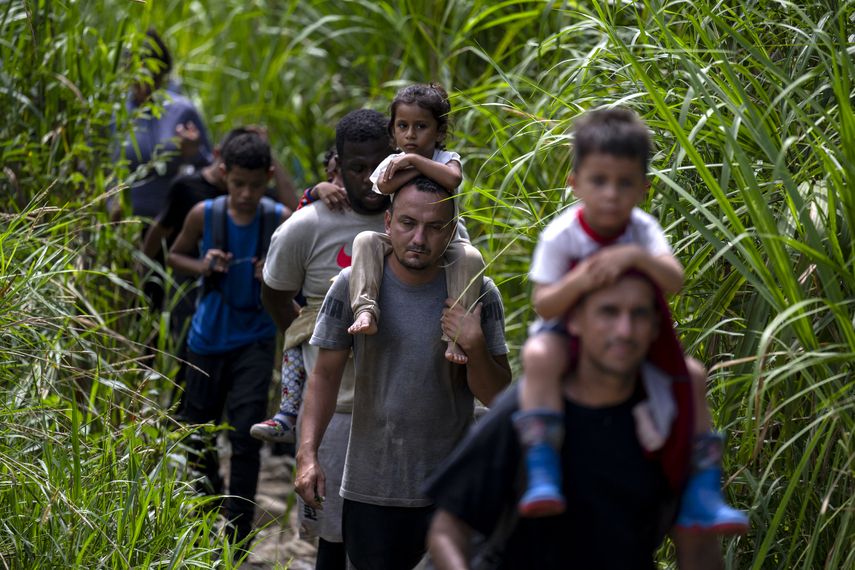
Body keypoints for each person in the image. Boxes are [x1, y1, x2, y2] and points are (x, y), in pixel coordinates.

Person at [515, 108, 748, 534]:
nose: (611, 194)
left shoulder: (642, 230)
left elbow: (674, 280)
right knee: (538, 355)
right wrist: (582, 279)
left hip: (632, 334)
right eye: (599, 181)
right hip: (568, 332)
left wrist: (635, 256)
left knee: (694, 376)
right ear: (575, 183)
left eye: (625, 183)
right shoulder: (561, 235)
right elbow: (544, 304)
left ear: (644, 188)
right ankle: (543, 468)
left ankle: (702, 490)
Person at [424, 273, 727, 570]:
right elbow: (447, 530)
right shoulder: (530, 410)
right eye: (608, 312)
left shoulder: (668, 421)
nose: (625, 330)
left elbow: (698, 547)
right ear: (575, 321)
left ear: (656, 326)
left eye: (639, 314)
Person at [295, 176, 512, 570]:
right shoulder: (352, 285)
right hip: (370, 486)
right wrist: (307, 455)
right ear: (388, 222)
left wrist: (475, 345)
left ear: (452, 231)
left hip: (452, 489)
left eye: (434, 227)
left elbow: (497, 397)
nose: (419, 239)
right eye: (408, 223)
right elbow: (324, 376)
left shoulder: (477, 291)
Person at [260, 109, 393, 569]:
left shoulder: (421, 217)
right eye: (358, 168)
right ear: (339, 164)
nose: (371, 179)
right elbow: (275, 294)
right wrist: (313, 339)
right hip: (334, 410)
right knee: (333, 539)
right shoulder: (305, 228)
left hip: (404, 408)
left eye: (380, 165)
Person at [166, 130, 288, 549]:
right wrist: (203, 265)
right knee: (198, 434)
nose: (246, 194)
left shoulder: (278, 219)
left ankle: (237, 537)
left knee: (246, 436)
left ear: (267, 177)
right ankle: (207, 509)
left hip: (255, 340)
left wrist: (271, 275)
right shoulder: (205, 214)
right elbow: (174, 255)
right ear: (224, 174)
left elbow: (299, 271)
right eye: (238, 184)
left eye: (255, 185)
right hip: (206, 340)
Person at [346, 83, 484, 366]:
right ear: (393, 131)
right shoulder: (392, 162)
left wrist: (413, 161)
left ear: (440, 132)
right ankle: (365, 309)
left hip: (447, 240)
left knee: (470, 258)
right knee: (365, 240)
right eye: (402, 126)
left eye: (421, 126)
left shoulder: (446, 159)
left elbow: (452, 179)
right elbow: (384, 185)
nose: (410, 134)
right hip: (402, 240)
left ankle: (455, 336)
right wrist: (411, 163)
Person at [250, 146, 348, 444]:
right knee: (294, 347)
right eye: (331, 176)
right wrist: (316, 191)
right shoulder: (314, 208)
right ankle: (288, 414)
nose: (337, 183)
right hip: (313, 311)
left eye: (343, 174)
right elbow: (299, 209)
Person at [118, 28, 213, 220]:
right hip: (119, 220)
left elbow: (211, 168)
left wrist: (194, 153)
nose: (146, 85)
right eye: (138, 76)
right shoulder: (114, 111)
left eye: (154, 76)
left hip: (167, 220)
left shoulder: (182, 110)